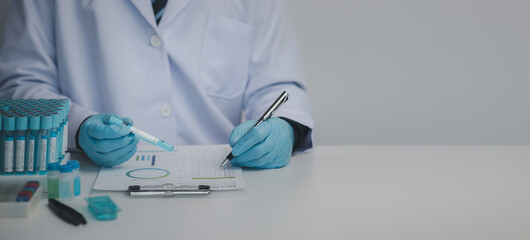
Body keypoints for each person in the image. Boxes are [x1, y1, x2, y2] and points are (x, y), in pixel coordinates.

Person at [0, 0, 313, 169]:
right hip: (91, 185)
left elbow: (279, 84)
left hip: (221, 184)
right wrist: (78, 127)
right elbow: (22, 82)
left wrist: (283, 128)